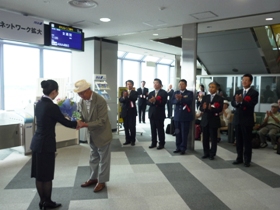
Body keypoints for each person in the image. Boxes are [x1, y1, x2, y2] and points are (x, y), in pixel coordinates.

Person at [30, 80, 82, 209]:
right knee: (46, 176)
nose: (57, 94)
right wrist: (78, 123)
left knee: (39, 175)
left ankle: (42, 201)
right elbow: (64, 122)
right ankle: (47, 202)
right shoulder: (51, 106)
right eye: (57, 91)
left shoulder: (39, 103)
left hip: (36, 142)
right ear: (53, 92)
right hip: (46, 144)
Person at [74, 79, 112, 192]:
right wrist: (77, 119)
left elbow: (102, 121)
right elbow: (78, 113)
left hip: (102, 134)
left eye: (81, 93)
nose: (80, 96)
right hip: (91, 134)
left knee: (104, 159)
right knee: (93, 157)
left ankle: (102, 181)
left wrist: (84, 124)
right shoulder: (80, 102)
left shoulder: (100, 101)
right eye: (78, 94)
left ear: (88, 90)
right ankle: (93, 178)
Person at [231, 74, 259, 167]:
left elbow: (251, 104)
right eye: (243, 80)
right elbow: (233, 102)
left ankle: (247, 160)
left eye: (246, 80)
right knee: (238, 140)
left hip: (247, 120)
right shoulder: (238, 91)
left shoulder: (254, 93)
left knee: (247, 141)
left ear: (250, 82)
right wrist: (237, 102)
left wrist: (242, 101)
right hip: (238, 119)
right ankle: (239, 158)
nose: (244, 82)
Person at [200, 82, 224, 160]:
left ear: (216, 89)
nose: (211, 88)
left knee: (213, 139)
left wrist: (212, 109)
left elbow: (220, 109)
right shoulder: (205, 97)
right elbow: (201, 108)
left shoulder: (219, 98)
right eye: (210, 87)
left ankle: (212, 154)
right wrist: (204, 108)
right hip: (205, 120)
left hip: (213, 120)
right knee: (205, 138)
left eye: (213, 87)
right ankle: (206, 152)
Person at [171, 79, 193, 154]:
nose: (181, 85)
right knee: (177, 132)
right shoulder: (176, 92)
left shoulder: (189, 93)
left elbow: (189, 101)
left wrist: (182, 98)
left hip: (185, 116)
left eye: (182, 84)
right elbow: (172, 101)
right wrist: (177, 100)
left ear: (186, 85)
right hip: (177, 116)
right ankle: (178, 147)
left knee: (184, 133)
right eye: (179, 84)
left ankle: (183, 148)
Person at [147, 78, 167, 149]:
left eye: (156, 83)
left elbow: (163, 102)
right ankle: (153, 142)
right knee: (153, 129)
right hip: (152, 113)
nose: (155, 84)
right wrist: (151, 101)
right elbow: (147, 102)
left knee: (160, 129)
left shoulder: (163, 92)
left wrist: (155, 101)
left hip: (159, 114)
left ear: (160, 85)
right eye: (154, 83)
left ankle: (161, 143)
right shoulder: (151, 93)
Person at [119, 80, 138, 145]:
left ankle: (133, 140)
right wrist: (124, 97)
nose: (128, 85)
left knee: (132, 127)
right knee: (126, 127)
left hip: (132, 112)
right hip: (125, 112)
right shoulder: (123, 92)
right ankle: (127, 140)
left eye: (130, 84)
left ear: (132, 85)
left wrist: (127, 96)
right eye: (127, 84)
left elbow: (134, 99)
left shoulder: (135, 92)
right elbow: (120, 100)